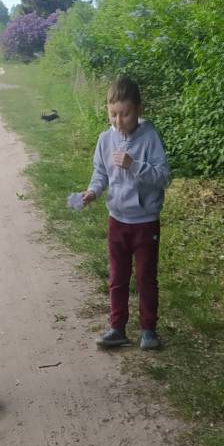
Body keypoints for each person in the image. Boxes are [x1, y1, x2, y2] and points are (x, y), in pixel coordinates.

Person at [81, 76, 171, 350]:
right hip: (117, 220)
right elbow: (101, 173)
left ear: (139, 110)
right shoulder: (105, 140)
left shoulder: (150, 138)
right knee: (117, 277)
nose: (119, 121)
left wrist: (134, 165)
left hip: (145, 222)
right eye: (113, 115)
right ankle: (117, 328)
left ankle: (148, 330)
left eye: (125, 114)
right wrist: (93, 191)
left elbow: (163, 177)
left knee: (145, 277)